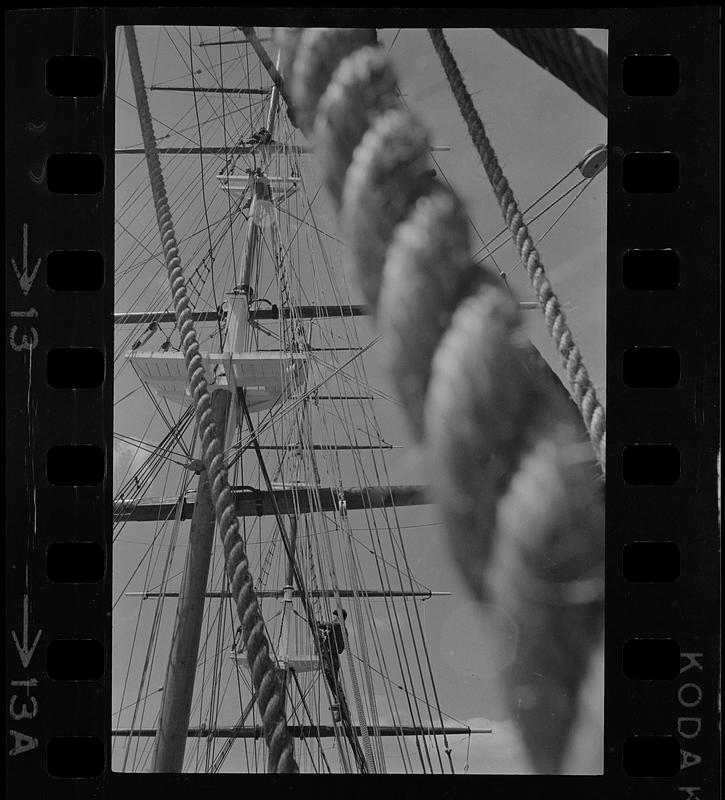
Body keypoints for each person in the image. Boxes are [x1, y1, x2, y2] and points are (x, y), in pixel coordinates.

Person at [317, 609, 347, 691]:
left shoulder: (338, 625)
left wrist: (318, 624)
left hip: (330, 656)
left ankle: (339, 695)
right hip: (335, 658)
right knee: (333, 679)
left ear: (338, 617)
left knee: (329, 674)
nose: (333, 618)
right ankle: (339, 696)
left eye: (335, 616)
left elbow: (328, 625)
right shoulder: (343, 630)